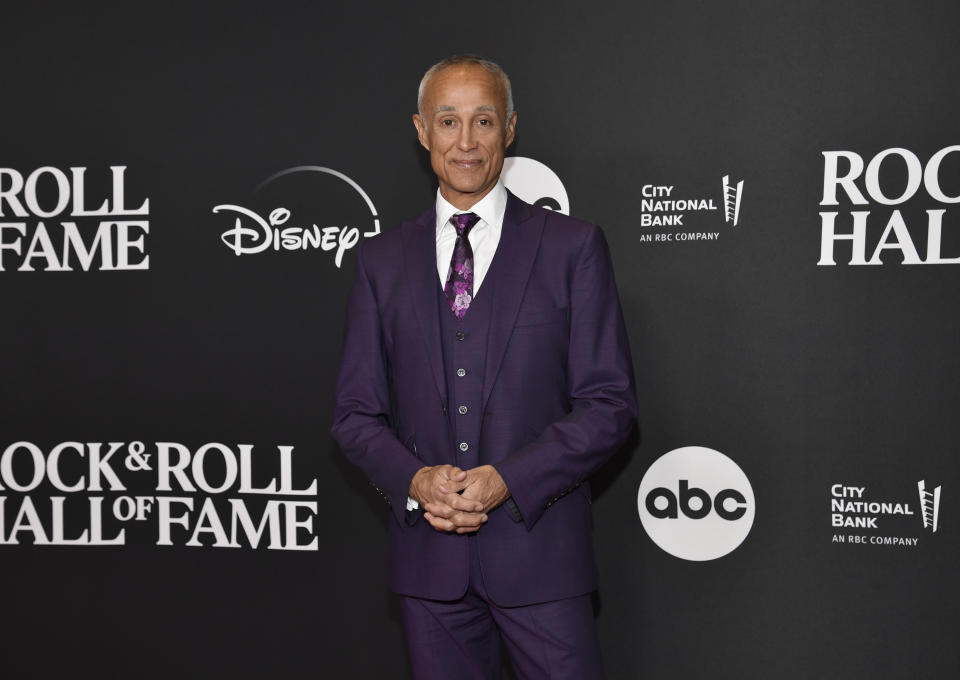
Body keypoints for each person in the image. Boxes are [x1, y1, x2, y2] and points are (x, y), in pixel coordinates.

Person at [332, 54, 636, 680]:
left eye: (484, 121)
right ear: (421, 131)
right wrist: (417, 481)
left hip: (543, 561)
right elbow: (355, 415)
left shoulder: (572, 247)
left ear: (511, 128)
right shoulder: (380, 262)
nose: (466, 142)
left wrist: (509, 479)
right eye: (448, 122)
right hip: (429, 570)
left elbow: (609, 404)